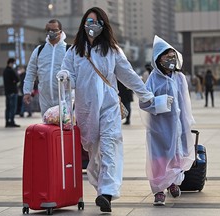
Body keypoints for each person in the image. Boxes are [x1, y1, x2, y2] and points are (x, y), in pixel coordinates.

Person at [56, 7, 154, 213]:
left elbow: (128, 75)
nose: (93, 25)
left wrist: (145, 94)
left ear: (104, 25)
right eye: (89, 21)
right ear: (83, 24)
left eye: (97, 22)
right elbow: (69, 78)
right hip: (85, 110)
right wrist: (64, 76)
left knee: (110, 146)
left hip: (109, 107)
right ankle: (101, 187)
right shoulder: (74, 52)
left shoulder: (112, 50)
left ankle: (107, 193)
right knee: (93, 153)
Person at [139, 35, 195, 206]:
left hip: (177, 125)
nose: (171, 60)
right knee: (159, 160)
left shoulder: (179, 78)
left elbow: (185, 102)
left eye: (173, 56)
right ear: (158, 58)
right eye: (167, 57)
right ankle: (158, 191)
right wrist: (159, 102)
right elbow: (144, 102)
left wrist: (187, 121)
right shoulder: (153, 79)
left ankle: (172, 183)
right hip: (159, 128)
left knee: (176, 156)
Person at [23, 19, 69, 117]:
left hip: (65, 99)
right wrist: (27, 91)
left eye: (54, 30)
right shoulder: (39, 50)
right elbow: (31, 72)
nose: (51, 32)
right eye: (48, 30)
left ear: (61, 31)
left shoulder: (69, 50)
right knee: (48, 127)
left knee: (65, 128)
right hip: (45, 99)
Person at [3, 58, 20, 127]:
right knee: (12, 107)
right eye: (14, 63)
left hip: (7, 91)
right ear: (11, 63)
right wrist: (14, 81)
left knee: (8, 107)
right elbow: (17, 79)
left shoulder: (5, 71)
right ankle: (12, 121)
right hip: (12, 91)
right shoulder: (11, 71)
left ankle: (7, 121)